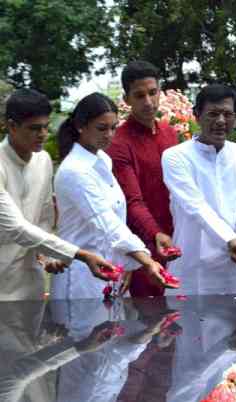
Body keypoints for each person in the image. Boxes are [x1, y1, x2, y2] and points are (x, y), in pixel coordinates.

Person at [52, 93, 170, 299]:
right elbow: (107, 223)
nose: (109, 135)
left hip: (111, 271)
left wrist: (127, 265)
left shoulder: (103, 159)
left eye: (113, 127)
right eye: (101, 128)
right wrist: (147, 261)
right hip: (82, 277)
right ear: (81, 126)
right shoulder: (75, 171)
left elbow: (117, 220)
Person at [0, 89, 114, 301]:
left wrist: (48, 256)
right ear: (11, 126)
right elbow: (16, 228)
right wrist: (79, 254)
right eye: (34, 128)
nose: (43, 134)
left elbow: (44, 217)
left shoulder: (42, 160)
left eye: (45, 126)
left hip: (31, 284)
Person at [162, 84, 236, 295]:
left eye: (227, 114)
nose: (220, 121)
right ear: (197, 116)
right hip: (194, 268)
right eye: (213, 114)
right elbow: (196, 206)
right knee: (188, 325)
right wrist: (230, 239)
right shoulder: (175, 157)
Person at [106, 60, 180, 297]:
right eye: (139, 95)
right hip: (143, 244)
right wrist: (155, 233)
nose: (148, 102)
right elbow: (132, 201)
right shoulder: (119, 142)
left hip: (177, 239)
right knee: (150, 321)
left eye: (152, 92)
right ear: (126, 100)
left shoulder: (169, 133)